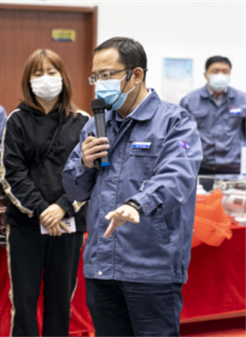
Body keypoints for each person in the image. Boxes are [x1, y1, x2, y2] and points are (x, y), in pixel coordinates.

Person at [62, 37, 203, 336]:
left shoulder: (175, 121)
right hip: (101, 264)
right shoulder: (95, 125)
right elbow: (75, 190)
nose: (100, 83)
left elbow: (177, 177)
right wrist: (84, 164)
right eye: (95, 76)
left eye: (108, 75)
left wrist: (138, 203)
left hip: (151, 266)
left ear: (136, 74)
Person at [0, 49, 89, 336]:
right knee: (24, 302)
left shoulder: (83, 121)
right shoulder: (16, 120)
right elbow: (12, 173)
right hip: (26, 224)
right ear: (28, 80)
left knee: (60, 301)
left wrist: (62, 206)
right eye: (38, 74)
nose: (45, 79)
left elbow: (91, 172)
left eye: (52, 72)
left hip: (69, 222)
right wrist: (42, 211)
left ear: (64, 77)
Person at [180, 56, 246, 176]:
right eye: (215, 71)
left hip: (234, 168)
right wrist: (187, 156)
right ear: (206, 75)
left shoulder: (242, 100)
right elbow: (181, 137)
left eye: (225, 71)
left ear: (230, 74)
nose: (220, 75)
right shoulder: (189, 101)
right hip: (201, 167)